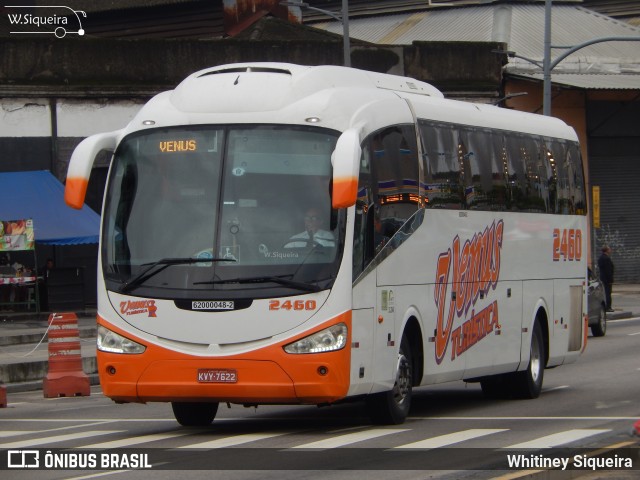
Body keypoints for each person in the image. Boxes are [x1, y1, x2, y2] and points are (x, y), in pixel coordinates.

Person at [597, 245, 614, 312]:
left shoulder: (600, 258)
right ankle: (608, 307)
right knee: (608, 293)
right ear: (607, 250)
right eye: (609, 249)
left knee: (605, 292)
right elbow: (608, 270)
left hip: (603, 278)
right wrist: (610, 280)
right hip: (607, 279)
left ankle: (606, 307)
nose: (610, 250)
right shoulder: (606, 259)